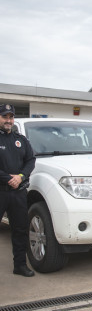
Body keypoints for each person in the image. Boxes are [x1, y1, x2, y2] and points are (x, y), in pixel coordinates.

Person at [0, 104, 36, 276]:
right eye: (5, 117)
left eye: (11, 117)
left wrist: (20, 177)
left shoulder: (21, 140)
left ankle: (20, 266)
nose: (8, 120)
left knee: (20, 230)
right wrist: (9, 178)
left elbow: (31, 160)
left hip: (18, 193)